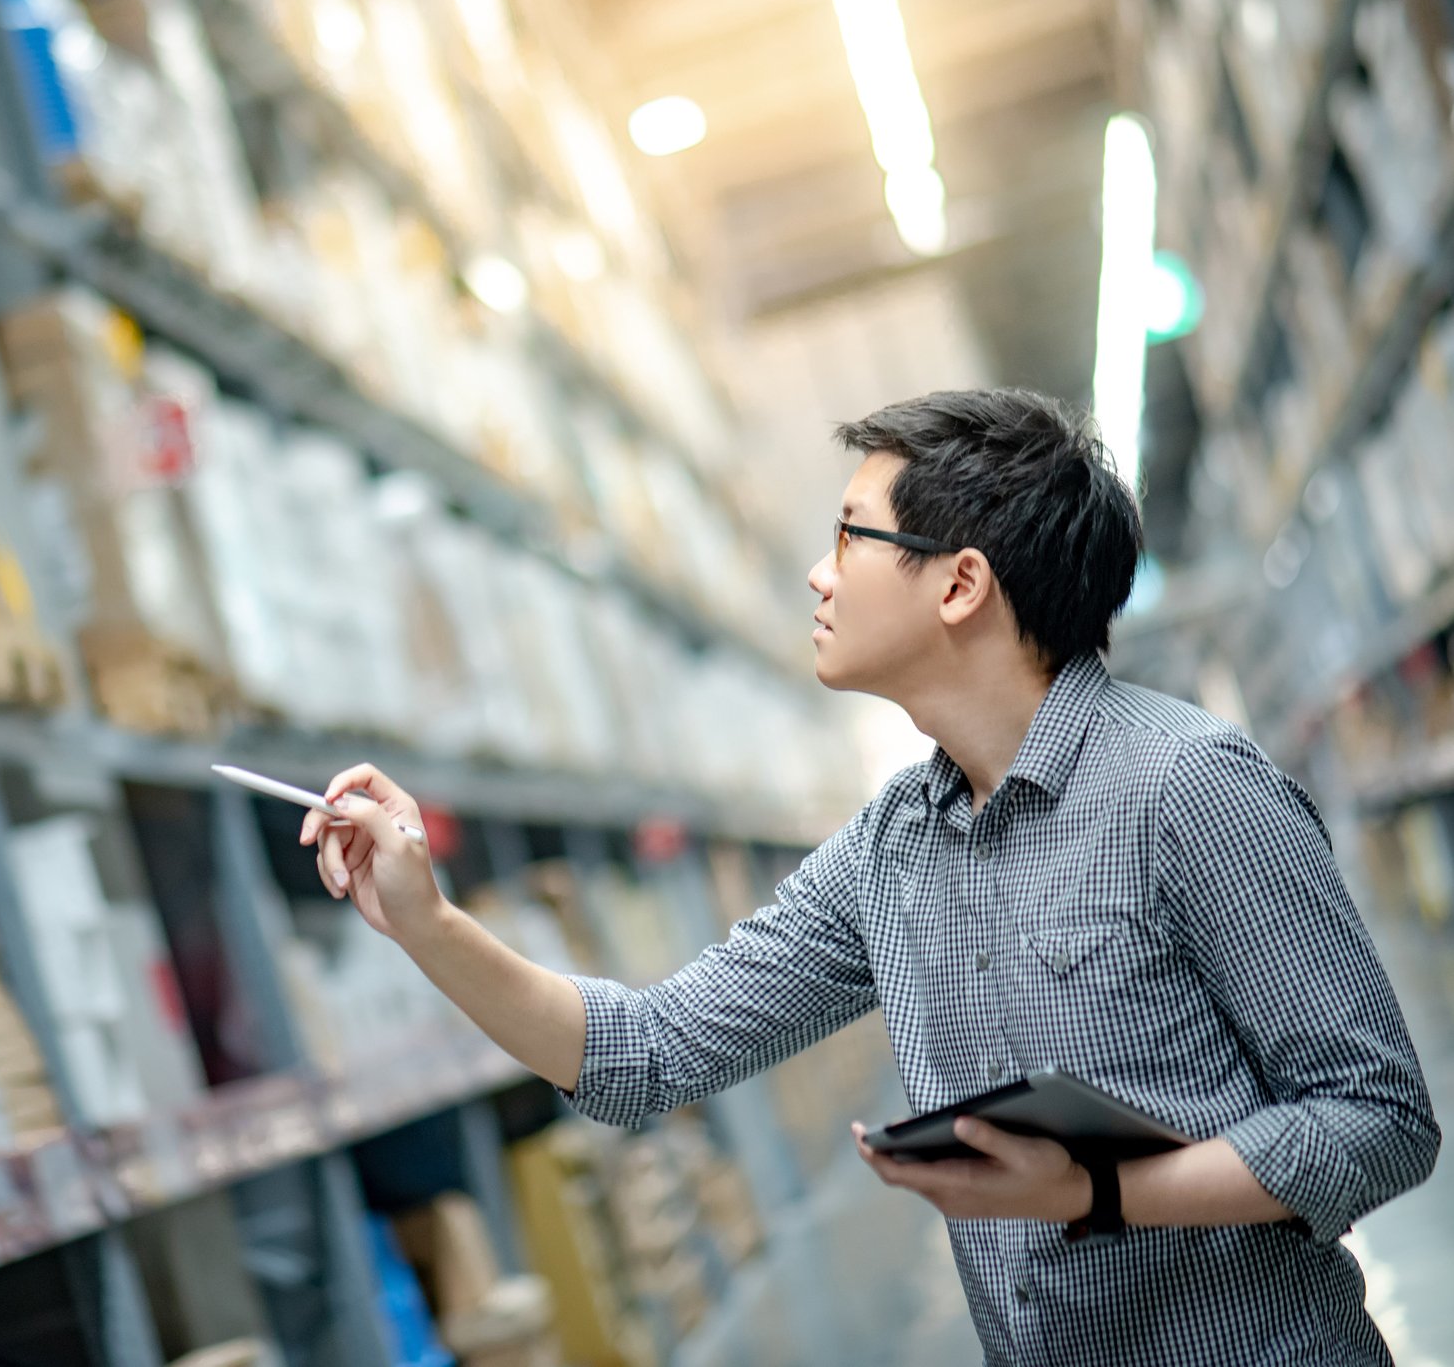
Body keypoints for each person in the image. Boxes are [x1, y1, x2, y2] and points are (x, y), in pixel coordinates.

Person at [299, 388, 1439, 1366]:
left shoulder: (1188, 788)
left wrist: (1099, 1191)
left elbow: (1379, 1117)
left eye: (849, 536)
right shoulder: (890, 848)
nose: (816, 572)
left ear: (959, 585)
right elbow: (646, 1053)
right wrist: (426, 919)